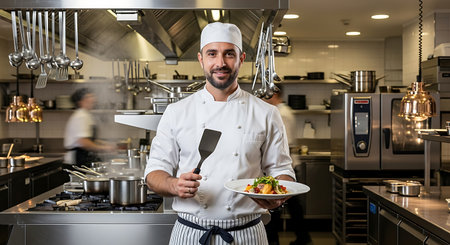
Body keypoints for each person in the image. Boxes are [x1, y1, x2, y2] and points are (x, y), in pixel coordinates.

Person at [145, 22, 296, 245]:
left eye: (229, 54)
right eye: (212, 54)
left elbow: (282, 171)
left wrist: (278, 195)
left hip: (247, 234)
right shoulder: (177, 112)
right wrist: (173, 185)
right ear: (201, 59)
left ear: (241, 58)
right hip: (191, 233)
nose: (220, 63)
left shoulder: (267, 113)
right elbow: (154, 173)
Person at [264, 85, 312, 245]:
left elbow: (279, 144)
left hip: (284, 165)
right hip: (289, 162)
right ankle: (303, 238)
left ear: (275, 94)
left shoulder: (279, 112)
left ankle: (275, 240)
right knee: (292, 206)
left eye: (267, 95)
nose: (265, 98)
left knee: (277, 206)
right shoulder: (284, 110)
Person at [63, 88, 115, 167]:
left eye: (93, 96)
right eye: (89, 97)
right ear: (80, 101)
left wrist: (104, 143)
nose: (93, 99)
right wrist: (104, 148)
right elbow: (83, 142)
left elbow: (88, 139)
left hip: (82, 158)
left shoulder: (85, 114)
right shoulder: (81, 116)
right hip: (77, 161)